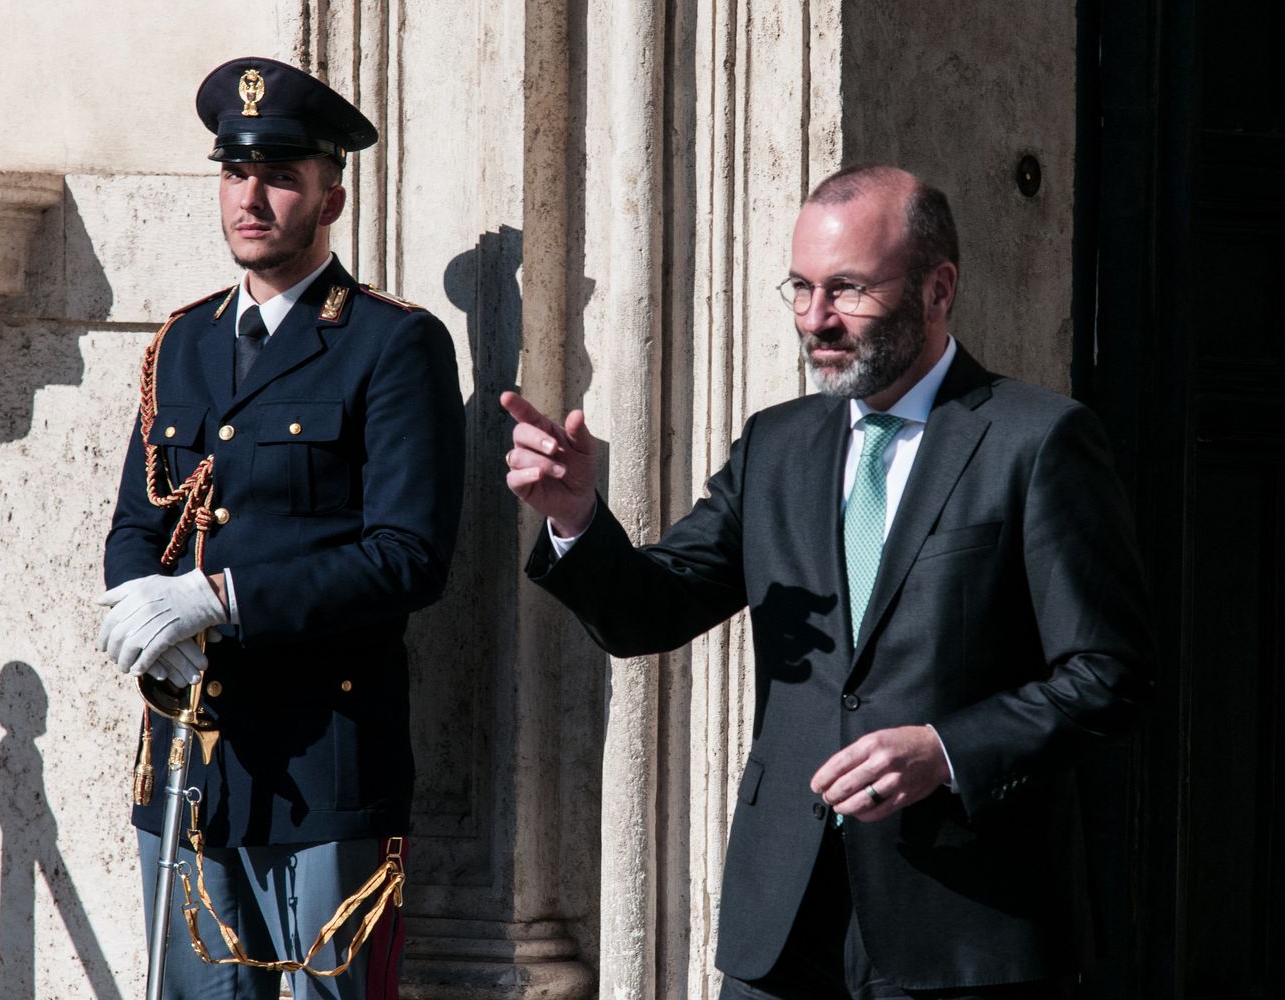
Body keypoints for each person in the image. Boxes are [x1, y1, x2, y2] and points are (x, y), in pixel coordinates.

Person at [501, 164, 1152, 999]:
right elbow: (649, 614)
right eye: (801, 288)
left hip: (965, 926)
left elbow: (1111, 676)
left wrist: (945, 751)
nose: (816, 320)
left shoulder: (1038, 440)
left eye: (846, 289)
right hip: (784, 919)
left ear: (937, 288)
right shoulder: (777, 445)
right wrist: (577, 519)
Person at [99, 56, 464, 1000]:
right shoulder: (183, 341)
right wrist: (146, 611)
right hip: (190, 762)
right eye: (234, 173)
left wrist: (218, 599)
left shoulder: (391, 344)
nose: (250, 197)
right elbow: (140, 521)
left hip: (324, 770)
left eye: (279, 177)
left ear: (330, 198)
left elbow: (409, 559)